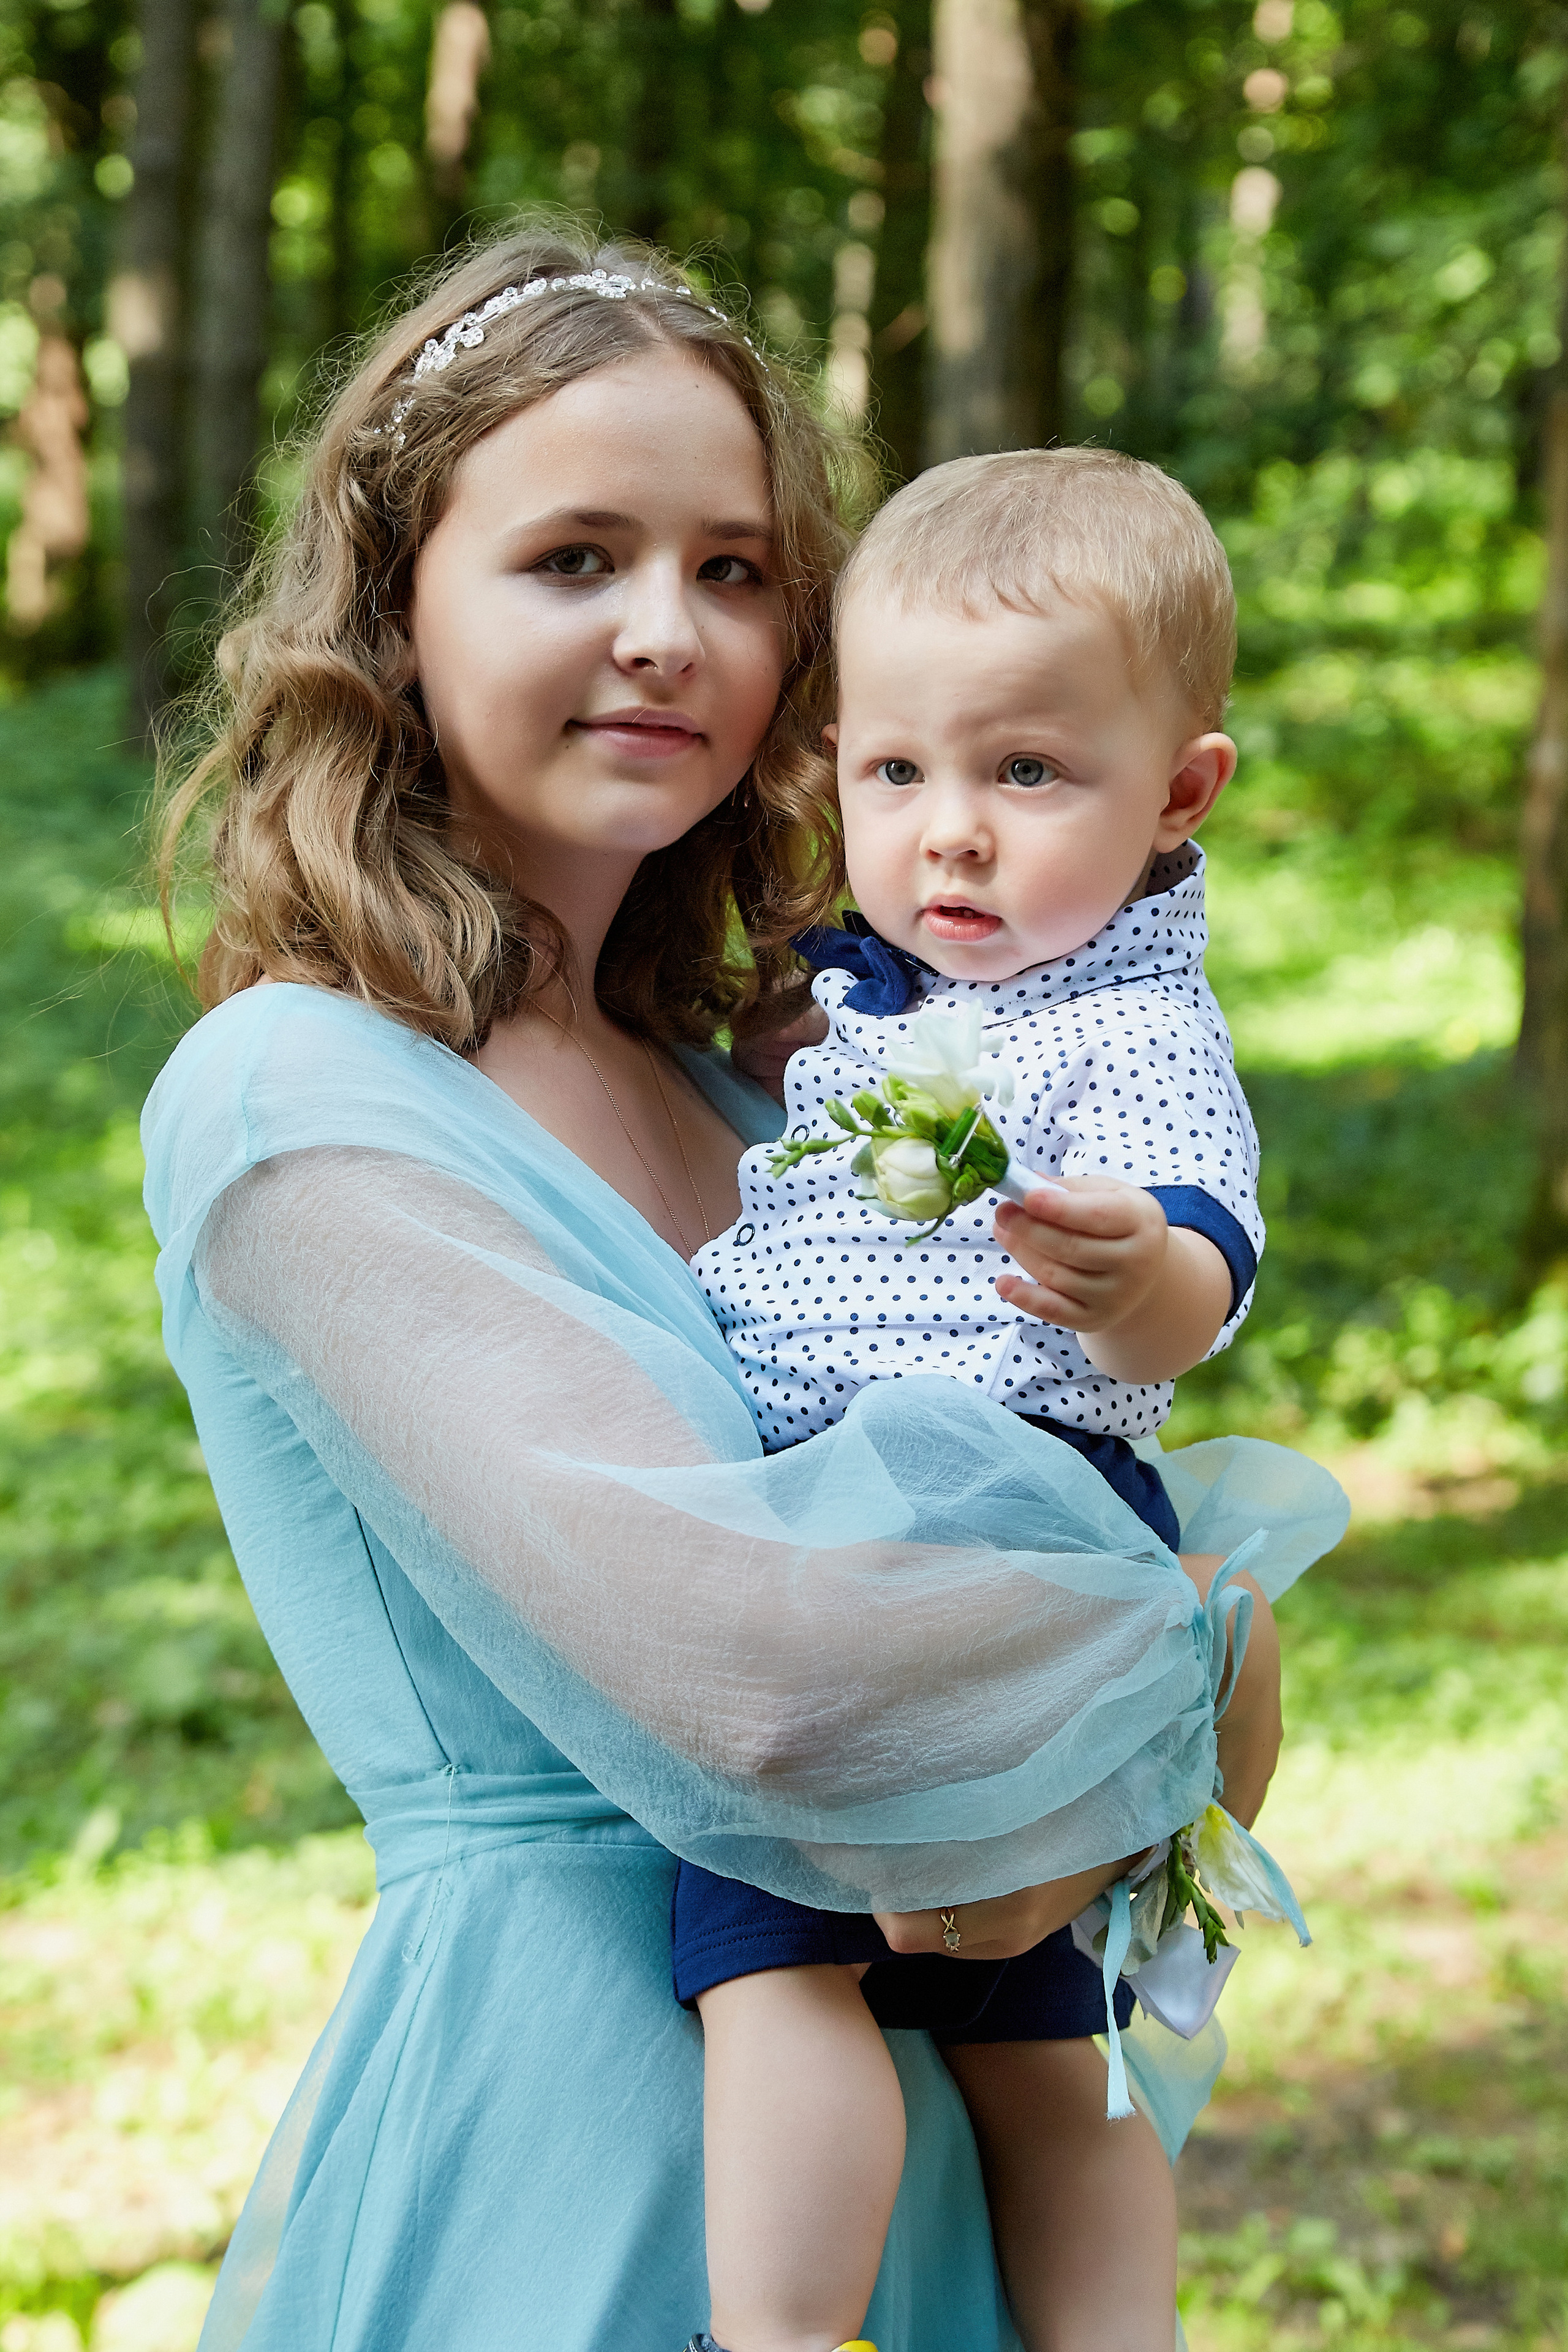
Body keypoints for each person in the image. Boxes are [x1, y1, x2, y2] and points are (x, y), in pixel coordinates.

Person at [145, 225, 1346, 2352]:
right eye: (573, 558)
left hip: (929, 2124)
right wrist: (1196, 1641)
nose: (665, 635)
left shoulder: (758, 1089)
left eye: (730, 569)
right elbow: (772, 1678)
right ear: (400, 604)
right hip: (596, 2126)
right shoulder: (301, 1093)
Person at [679, 450, 1302, 2352]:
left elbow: (1202, 1274)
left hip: (997, 1525)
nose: (951, 834)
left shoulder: (1130, 1025)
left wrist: (1142, 1279)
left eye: (1027, 774)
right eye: (898, 773)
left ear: (1179, 795)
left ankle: (790, 2332)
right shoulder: (856, 998)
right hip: (855, 1526)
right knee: (967, 2026)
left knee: (813, 1983)